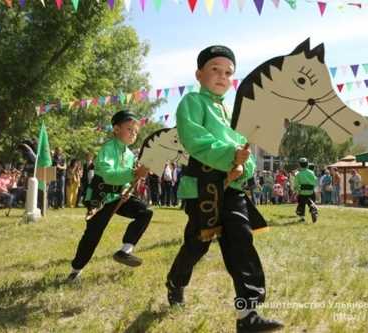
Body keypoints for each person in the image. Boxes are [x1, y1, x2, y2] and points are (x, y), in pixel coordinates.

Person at [165, 45, 283, 332]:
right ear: (199, 74)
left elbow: (244, 151)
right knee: (197, 245)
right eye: (214, 70)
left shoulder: (231, 113)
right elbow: (196, 140)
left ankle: (248, 313)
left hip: (230, 188)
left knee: (241, 241)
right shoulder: (192, 102)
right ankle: (175, 282)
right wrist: (232, 154)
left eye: (228, 72)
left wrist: (244, 165)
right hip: (203, 188)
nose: (221, 76)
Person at [67, 110, 152, 281]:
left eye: (136, 132)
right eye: (129, 129)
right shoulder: (108, 148)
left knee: (145, 212)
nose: (133, 134)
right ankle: (76, 270)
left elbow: (126, 180)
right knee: (93, 233)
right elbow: (109, 174)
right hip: (101, 195)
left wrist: (126, 189)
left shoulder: (129, 154)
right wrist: (133, 173)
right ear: (116, 129)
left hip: (118, 195)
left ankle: (125, 251)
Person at [294, 158, 318, 223]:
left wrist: (297, 192)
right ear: (307, 165)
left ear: (299, 165)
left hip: (302, 193)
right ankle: (313, 208)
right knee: (310, 201)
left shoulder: (298, 174)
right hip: (311, 192)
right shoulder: (311, 172)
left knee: (301, 204)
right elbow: (315, 181)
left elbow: (296, 185)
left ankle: (302, 218)